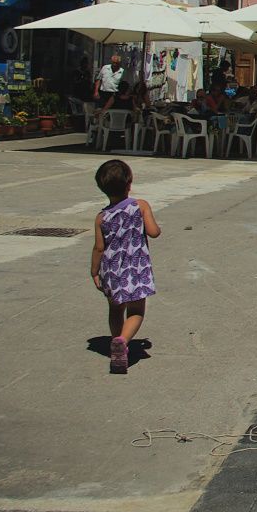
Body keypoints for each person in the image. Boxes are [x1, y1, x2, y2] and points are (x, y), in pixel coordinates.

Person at [90, 159, 160, 375]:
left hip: (111, 269)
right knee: (136, 310)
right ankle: (122, 340)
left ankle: (116, 344)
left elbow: (99, 248)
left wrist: (94, 271)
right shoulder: (140, 206)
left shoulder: (101, 217)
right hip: (136, 268)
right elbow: (154, 232)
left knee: (115, 308)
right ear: (129, 183)